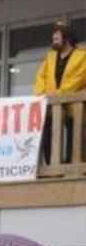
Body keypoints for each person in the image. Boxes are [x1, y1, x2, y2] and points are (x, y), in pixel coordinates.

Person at [33, 21, 86, 162]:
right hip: (51, 105)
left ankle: (70, 164)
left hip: (74, 106)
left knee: (74, 134)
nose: (53, 38)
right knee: (47, 131)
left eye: (57, 36)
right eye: (53, 36)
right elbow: (40, 76)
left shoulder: (82, 56)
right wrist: (41, 93)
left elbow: (78, 79)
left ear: (67, 37)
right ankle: (51, 164)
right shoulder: (50, 57)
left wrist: (57, 95)